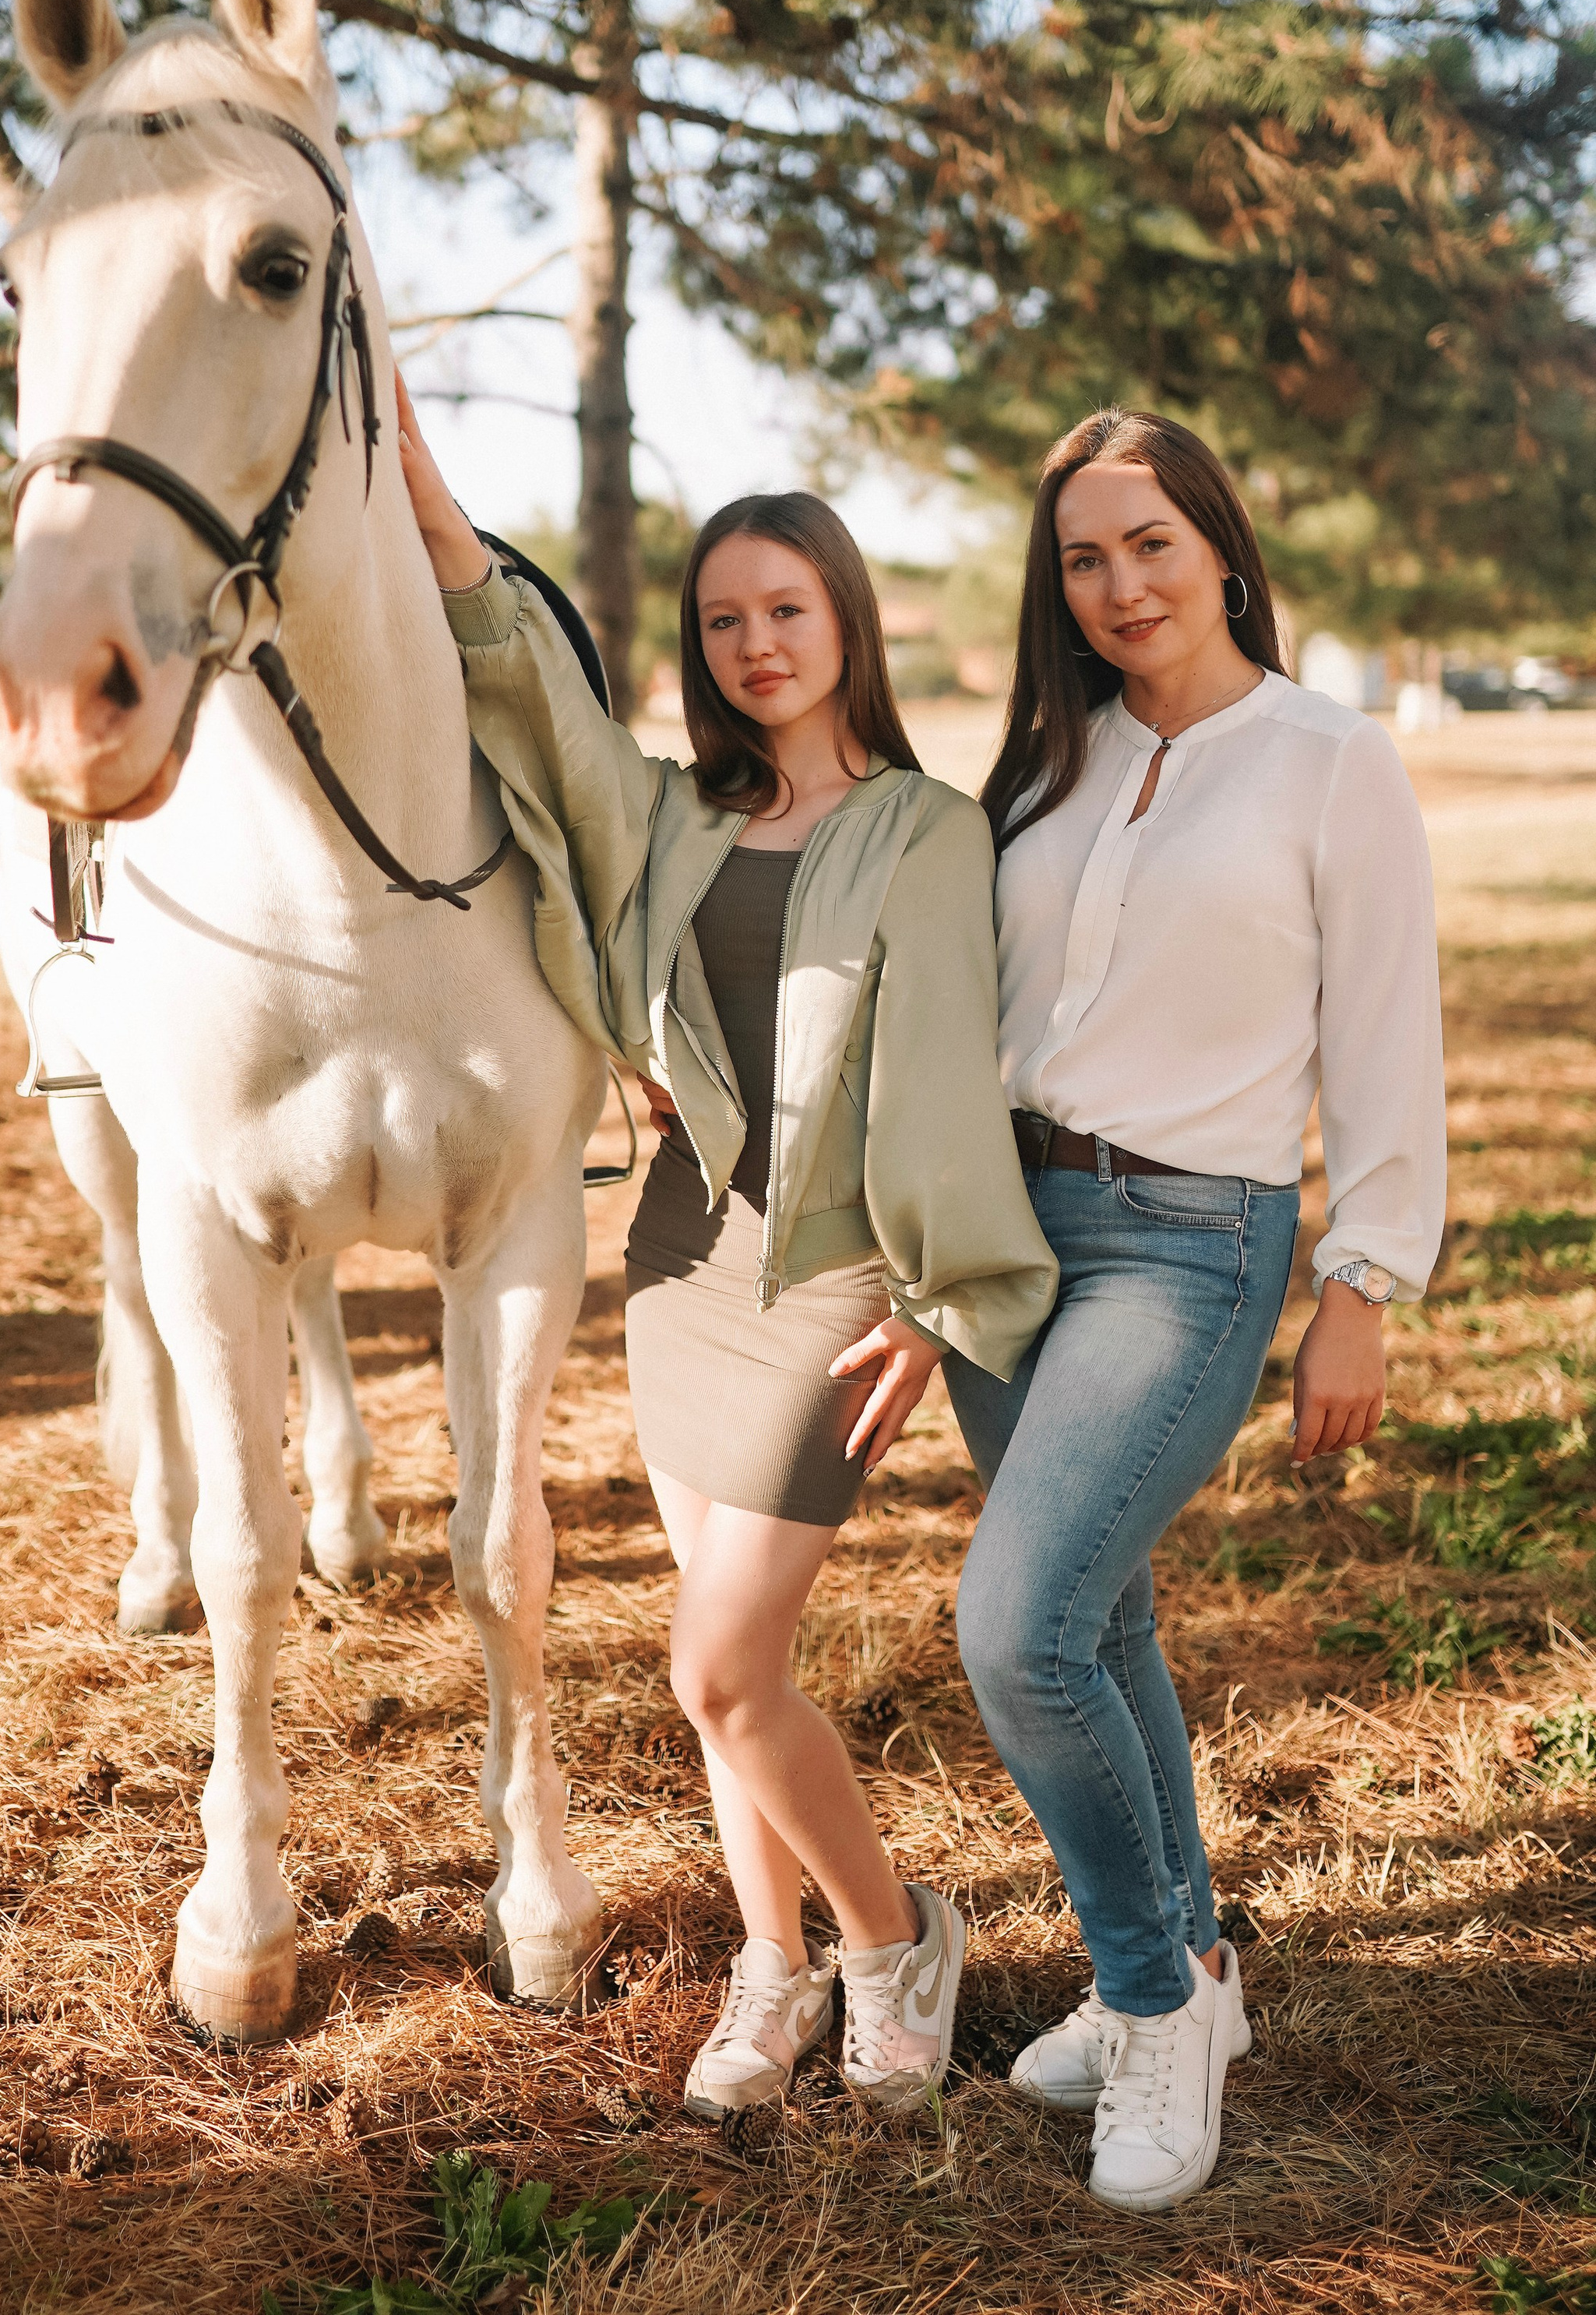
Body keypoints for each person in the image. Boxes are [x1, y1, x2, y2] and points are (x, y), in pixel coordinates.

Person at [395, 376, 1056, 2126]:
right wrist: (418, 481)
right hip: (681, 1262)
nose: (756, 644)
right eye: (722, 622)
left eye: (786, 610)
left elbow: (944, 1076)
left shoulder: (922, 828)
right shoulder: (676, 816)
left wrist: (932, 1300)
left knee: (719, 1664)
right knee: (720, 1675)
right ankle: (773, 1964)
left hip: (832, 1281)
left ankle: (894, 1938)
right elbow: (533, 701)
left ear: (844, 622)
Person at [958, 407, 1444, 2213]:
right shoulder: (1046, 756)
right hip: (1005, 1239)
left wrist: (1360, 1285)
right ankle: (1192, 1962)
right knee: (1103, 1625)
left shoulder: (1329, 760)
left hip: (1189, 1243)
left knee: (1016, 1631)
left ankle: (1151, 2006)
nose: (1116, 585)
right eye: (1081, 558)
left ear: (1219, 550)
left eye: (1147, 544)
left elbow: (1386, 1031)